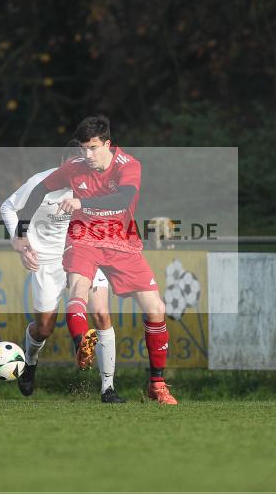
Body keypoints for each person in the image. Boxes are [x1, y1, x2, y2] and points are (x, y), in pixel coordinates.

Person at [14, 115, 177, 405]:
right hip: (83, 237)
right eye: (82, 148)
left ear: (107, 145)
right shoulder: (74, 168)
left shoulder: (128, 165)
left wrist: (81, 202)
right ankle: (82, 345)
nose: (86, 155)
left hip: (121, 240)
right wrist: (21, 233)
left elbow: (123, 199)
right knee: (78, 291)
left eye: (92, 148)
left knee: (156, 308)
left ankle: (157, 384)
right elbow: (38, 191)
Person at [0, 144, 124, 403]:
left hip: (84, 254)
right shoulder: (41, 182)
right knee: (44, 328)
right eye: (74, 163)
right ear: (63, 164)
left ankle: (108, 388)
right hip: (46, 261)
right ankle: (30, 361)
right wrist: (20, 240)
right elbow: (8, 207)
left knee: (101, 314)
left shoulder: (94, 186)